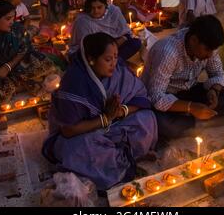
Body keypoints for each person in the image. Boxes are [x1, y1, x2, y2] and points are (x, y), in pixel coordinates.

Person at [42, 32, 157, 190]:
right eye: (108, 59)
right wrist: (105, 118)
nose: (114, 64)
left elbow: (141, 97)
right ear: (91, 59)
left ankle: (122, 154)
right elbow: (68, 130)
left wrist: (121, 111)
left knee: (147, 118)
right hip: (83, 133)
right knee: (77, 149)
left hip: (114, 123)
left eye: (116, 57)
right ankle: (122, 159)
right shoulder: (74, 83)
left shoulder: (118, 72)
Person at [143, 15, 224, 138]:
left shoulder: (209, 48)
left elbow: (218, 74)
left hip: (189, 91)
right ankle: (201, 122)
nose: (210, 55)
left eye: (213, 50)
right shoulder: (168, 52)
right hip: (167, 97)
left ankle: (192, 122)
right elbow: (156, 97)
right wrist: (190, 107)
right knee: (164, 125)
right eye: (207, 50)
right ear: (193, 40)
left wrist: (214, 90)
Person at [0, 0, 60, 104]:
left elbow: (24, 48)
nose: (12, 22)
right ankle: (21, 83)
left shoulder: (13, 28)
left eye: (13, 18)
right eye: (8, 19)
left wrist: (7, 66)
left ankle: (20, 83)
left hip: (11, 65)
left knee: (44, 64)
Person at [70, 0, 141, 61]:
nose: (96, 11)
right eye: (92, 8)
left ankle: (113, 62)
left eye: (99, 7)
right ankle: (107, 64)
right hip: (93, 52)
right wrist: (109, 47)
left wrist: (116, 43)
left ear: (105, 5)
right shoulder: (82, 20)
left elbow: (126, 34)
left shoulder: (113, 11)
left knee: (135, 43)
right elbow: (87, 48)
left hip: (113, 45)